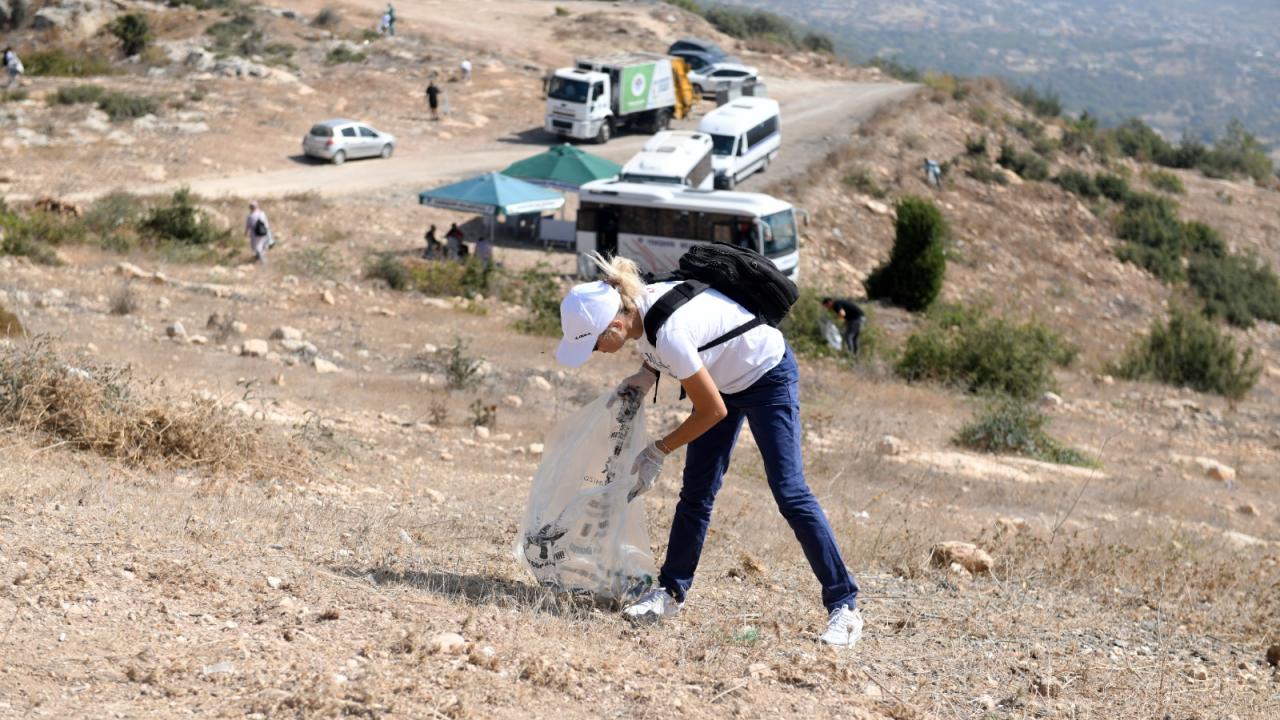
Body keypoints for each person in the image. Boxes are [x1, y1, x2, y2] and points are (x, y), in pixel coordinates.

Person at [553, 254, 864, 647]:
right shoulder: (641, 310)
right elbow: (671, 353)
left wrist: (657, 451)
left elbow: (711, 410)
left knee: (790, 492)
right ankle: (670, 594)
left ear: (614, 324)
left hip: (767, 376)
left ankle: (846, 607)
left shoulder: (668, 332)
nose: (596, 351)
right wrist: (644, 376)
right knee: (696, 493)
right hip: (722, 380)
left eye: (595, 343)